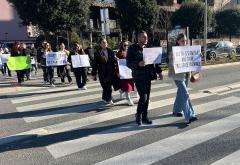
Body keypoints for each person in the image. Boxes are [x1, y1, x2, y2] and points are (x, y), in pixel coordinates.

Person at [126, 30, 163, 125]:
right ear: (138, 38)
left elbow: (155, 61)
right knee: (143, 97)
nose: (146, 38)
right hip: (138, 76)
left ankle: (145, 117)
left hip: (148, 76)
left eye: (146, 37)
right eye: (143, 37)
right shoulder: (132, 48)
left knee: (147, 98)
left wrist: (159, 72)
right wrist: (138, 64)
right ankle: (138, 115)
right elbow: (128, 63)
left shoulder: (148, 48)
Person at [168, 33, 198, 124]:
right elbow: (170, 65)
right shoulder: (174, 51)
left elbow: (192, 61)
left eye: (185, 41)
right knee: (185, 93)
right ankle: (190, 115)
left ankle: (176, 110)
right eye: (182, 41)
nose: (184, 42)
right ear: (178, 41)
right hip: (177, 76)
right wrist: (174, 60)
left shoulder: (189, 50)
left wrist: (197, 56)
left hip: (185, 75)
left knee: (180, 93)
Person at [92, 38, 120, 105]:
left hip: (111, 71)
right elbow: (95, 64)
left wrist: (117, 63)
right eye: (103, 42)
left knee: (108, 86)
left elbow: (114, 61)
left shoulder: (110, 51)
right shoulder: (97, 53)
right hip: (103, 72)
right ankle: (109, 99)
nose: (105, 44)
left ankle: (105, 98)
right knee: (106, 86)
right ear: (100, 44)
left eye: (106, 42)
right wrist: (93, 74)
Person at [116, 41, 135, 106]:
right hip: (123, 72)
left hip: (129, 71)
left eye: (127, 45)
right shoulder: (119, 53)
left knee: (129, 85)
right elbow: (117, 64)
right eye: (125, 45)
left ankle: (121, 91)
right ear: (122, 46)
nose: (126, 46)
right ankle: (128, 99)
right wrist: (118, 72)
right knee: (127, 86)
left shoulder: (130, 52)